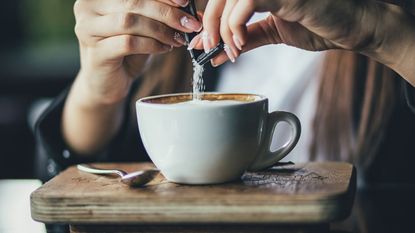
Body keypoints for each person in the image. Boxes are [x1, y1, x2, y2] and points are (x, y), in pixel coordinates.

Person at [35, 0, 415, 187]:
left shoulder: (384, 19)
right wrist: (96, 93)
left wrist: (388, 39)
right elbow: (62, 192)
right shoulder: (173, 20)